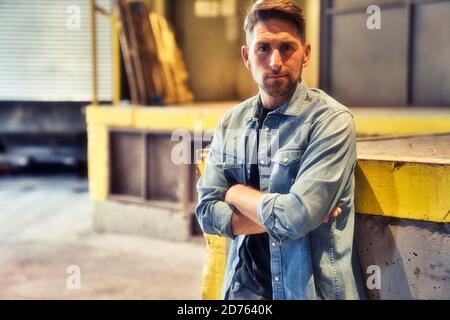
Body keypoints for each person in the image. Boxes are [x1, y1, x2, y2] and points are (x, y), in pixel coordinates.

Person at [195, 0, 366, 300]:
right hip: (241, 293)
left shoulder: (331, 122)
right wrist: (293, 214)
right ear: (247, 57)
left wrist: (234, 193)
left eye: (286, 48)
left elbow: (296, 216)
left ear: (306, 54)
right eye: (263, 48)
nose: (275, 62)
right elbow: (207, 212)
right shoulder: (230, 123)